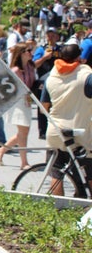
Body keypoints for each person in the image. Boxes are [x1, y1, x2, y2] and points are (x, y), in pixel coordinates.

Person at [42, 44, 92, 195]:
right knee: (89, 172)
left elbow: (44, 106)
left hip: (56, 131)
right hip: (79, 132)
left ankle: (58, 210)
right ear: (79, 58)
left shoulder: (51, 77)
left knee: (56, 174)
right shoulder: (86, 77)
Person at [0, 43, 36, 169]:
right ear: (21, 54)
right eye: (28, 51)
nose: (31, 53)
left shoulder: (30, 66)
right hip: (18, 103)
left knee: (23, 132)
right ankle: (24, 162)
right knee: (23, 132)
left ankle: (2, 149)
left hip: (27, 101)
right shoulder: (15, 71)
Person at [31, 27, 61, 139]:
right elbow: (34, 64)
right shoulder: (41, 49)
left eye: (53, 35)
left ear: (57, 37)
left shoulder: (61, 49)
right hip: (43, 82)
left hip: (58, 82)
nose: (51, 38)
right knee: (43, 107)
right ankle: (43, 131)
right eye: (49, 35)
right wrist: (44, 57)